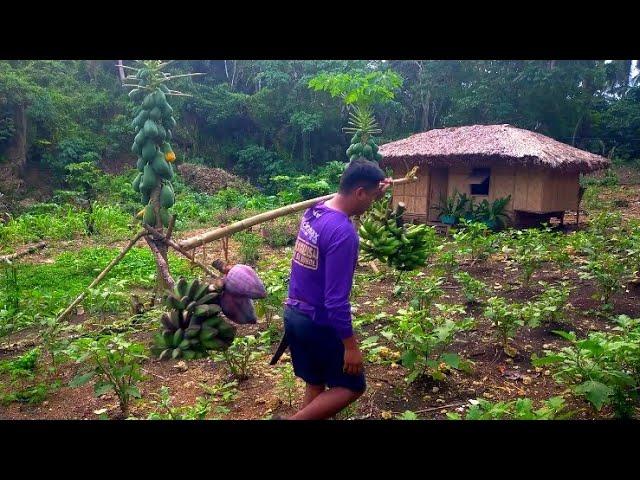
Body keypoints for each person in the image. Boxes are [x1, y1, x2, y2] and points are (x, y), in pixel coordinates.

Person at [274, 158, 392, 420]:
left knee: (315, 382)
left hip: (295, 315)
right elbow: (336, 301)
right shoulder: (343, 233)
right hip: (318, 322)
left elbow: (359, 194)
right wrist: (350, 346)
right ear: (360, 193)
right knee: (352, 386)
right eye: (372, 197)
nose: (373, 202)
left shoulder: (314, 212)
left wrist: (376, 189)